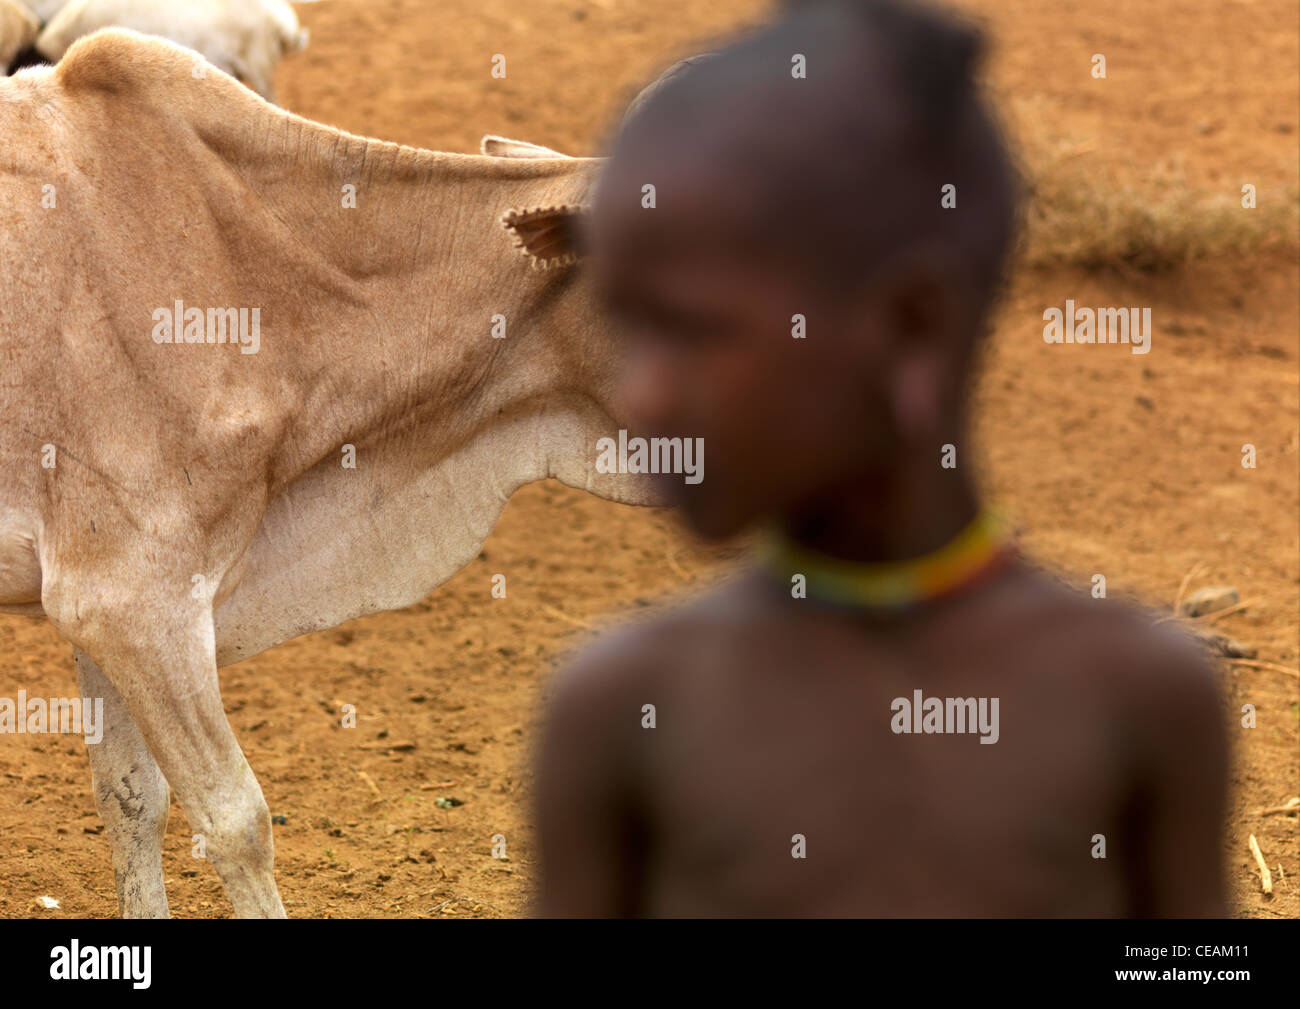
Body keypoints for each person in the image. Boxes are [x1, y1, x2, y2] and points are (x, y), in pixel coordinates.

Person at [534, 0, 1228, 916]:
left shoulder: (1146, 699)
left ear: (912, 326)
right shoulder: (622, 709)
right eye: (628, 327)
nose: (640, 397)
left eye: (690, 331)